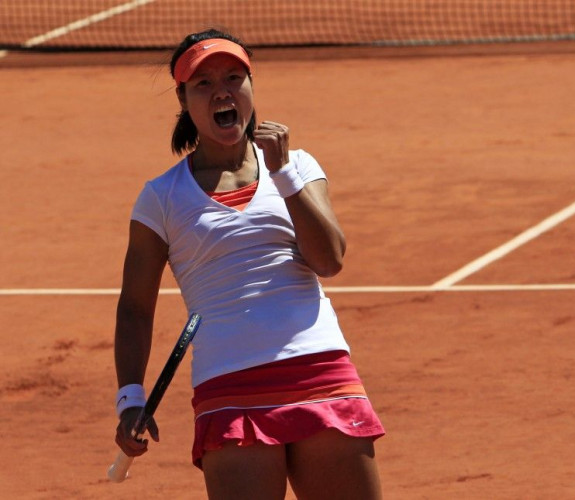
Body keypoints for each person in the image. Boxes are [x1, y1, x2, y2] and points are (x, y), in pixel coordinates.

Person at [113, 28, 384, 499]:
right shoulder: (160, 197)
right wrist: (130, 399)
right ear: (183, 99)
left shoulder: (296, 165)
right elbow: (135, 307)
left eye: (234, 77)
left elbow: (330, 259)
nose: (222, 91)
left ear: (252, 87)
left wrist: (282, 175)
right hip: (229, 386)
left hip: (320, 371)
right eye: (203, 83)